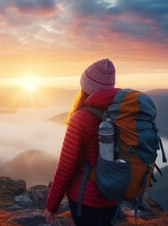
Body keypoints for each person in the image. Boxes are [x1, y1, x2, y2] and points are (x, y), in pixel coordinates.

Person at [44, 58, 119, 226]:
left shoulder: (82, 118)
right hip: (113, 197)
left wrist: (52, 206)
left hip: (86, 200)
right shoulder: (120, 113)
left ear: (85, 87)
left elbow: (66, 167)